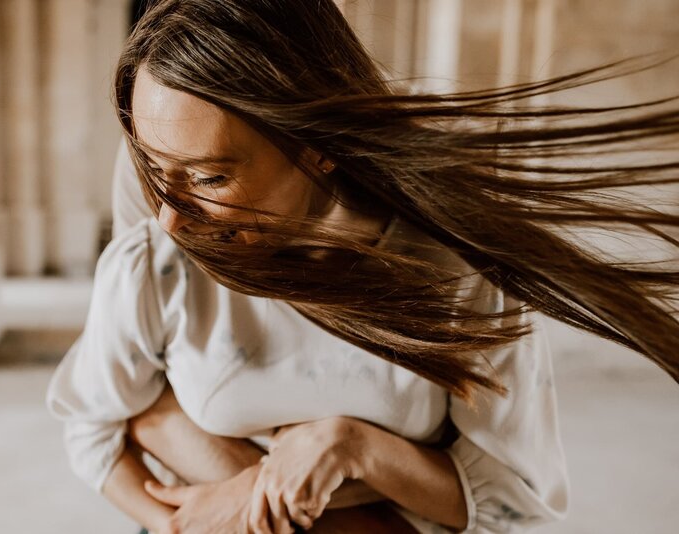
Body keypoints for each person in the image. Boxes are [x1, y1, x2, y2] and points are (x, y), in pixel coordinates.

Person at [46, 1, 679, 533]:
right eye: (157, 171)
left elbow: (521, 506)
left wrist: (358, 448)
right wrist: (191, 522)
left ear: (318, 148)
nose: (171, 219)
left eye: (210, 176)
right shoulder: (157, 263)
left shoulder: (461, 274)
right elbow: (95, 420)